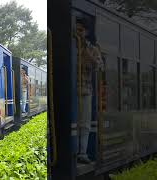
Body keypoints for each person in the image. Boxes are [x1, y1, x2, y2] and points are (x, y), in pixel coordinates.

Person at [76, 22, 103, 164]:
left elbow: (99, 66)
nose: (78, 33)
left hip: (85, 90)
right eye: (76, 30)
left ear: (86, 32)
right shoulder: (71, 47)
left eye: (80, 30)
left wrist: (86, 53)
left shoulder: (92, 49)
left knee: (84, 123)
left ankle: (82, 152)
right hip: (72, 90)